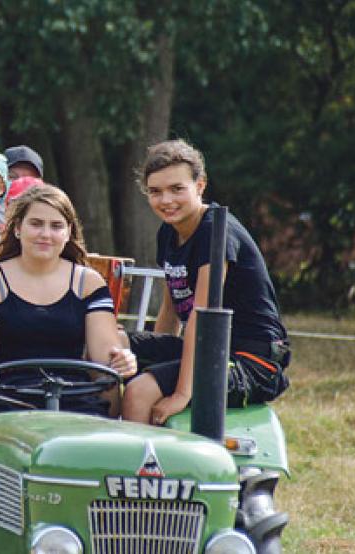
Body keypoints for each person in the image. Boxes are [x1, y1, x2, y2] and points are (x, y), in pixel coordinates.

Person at [0, 185, 137, 553]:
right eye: (36, 224)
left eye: (56, 225)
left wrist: (120, 359)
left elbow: (103, 352)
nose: (45, 234)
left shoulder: (87, 282)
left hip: (71, 401)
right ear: (17, 229)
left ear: (68, 232)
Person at [122, 139, 290, 426]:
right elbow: (171, 308)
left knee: (140, 392)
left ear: (200, 186)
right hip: (206, 349)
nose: (166, 200)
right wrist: (155, 354)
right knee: (110, 345)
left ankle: (140, 468)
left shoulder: (215, 231)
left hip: (248, 361)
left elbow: (201, 318)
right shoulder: (168, 232)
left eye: (177, 189)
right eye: (155, 192)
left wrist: (182, 392)